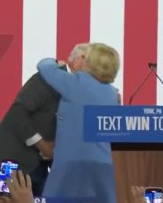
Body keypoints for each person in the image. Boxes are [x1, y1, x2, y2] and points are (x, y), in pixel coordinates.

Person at [0, 43, 89, 196]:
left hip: (38, 165)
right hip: (11, 158)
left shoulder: (79, 92)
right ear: (78, 60)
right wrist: (42, 144)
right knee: (9, 200)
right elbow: (18, 113)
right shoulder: (47, 79)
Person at [37, 43, 120, 203]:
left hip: (70, 169)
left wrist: (57, 63)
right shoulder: (112, 94)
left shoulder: (74, 83)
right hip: (102, 170)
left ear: (90, 62)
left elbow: (44, 66)